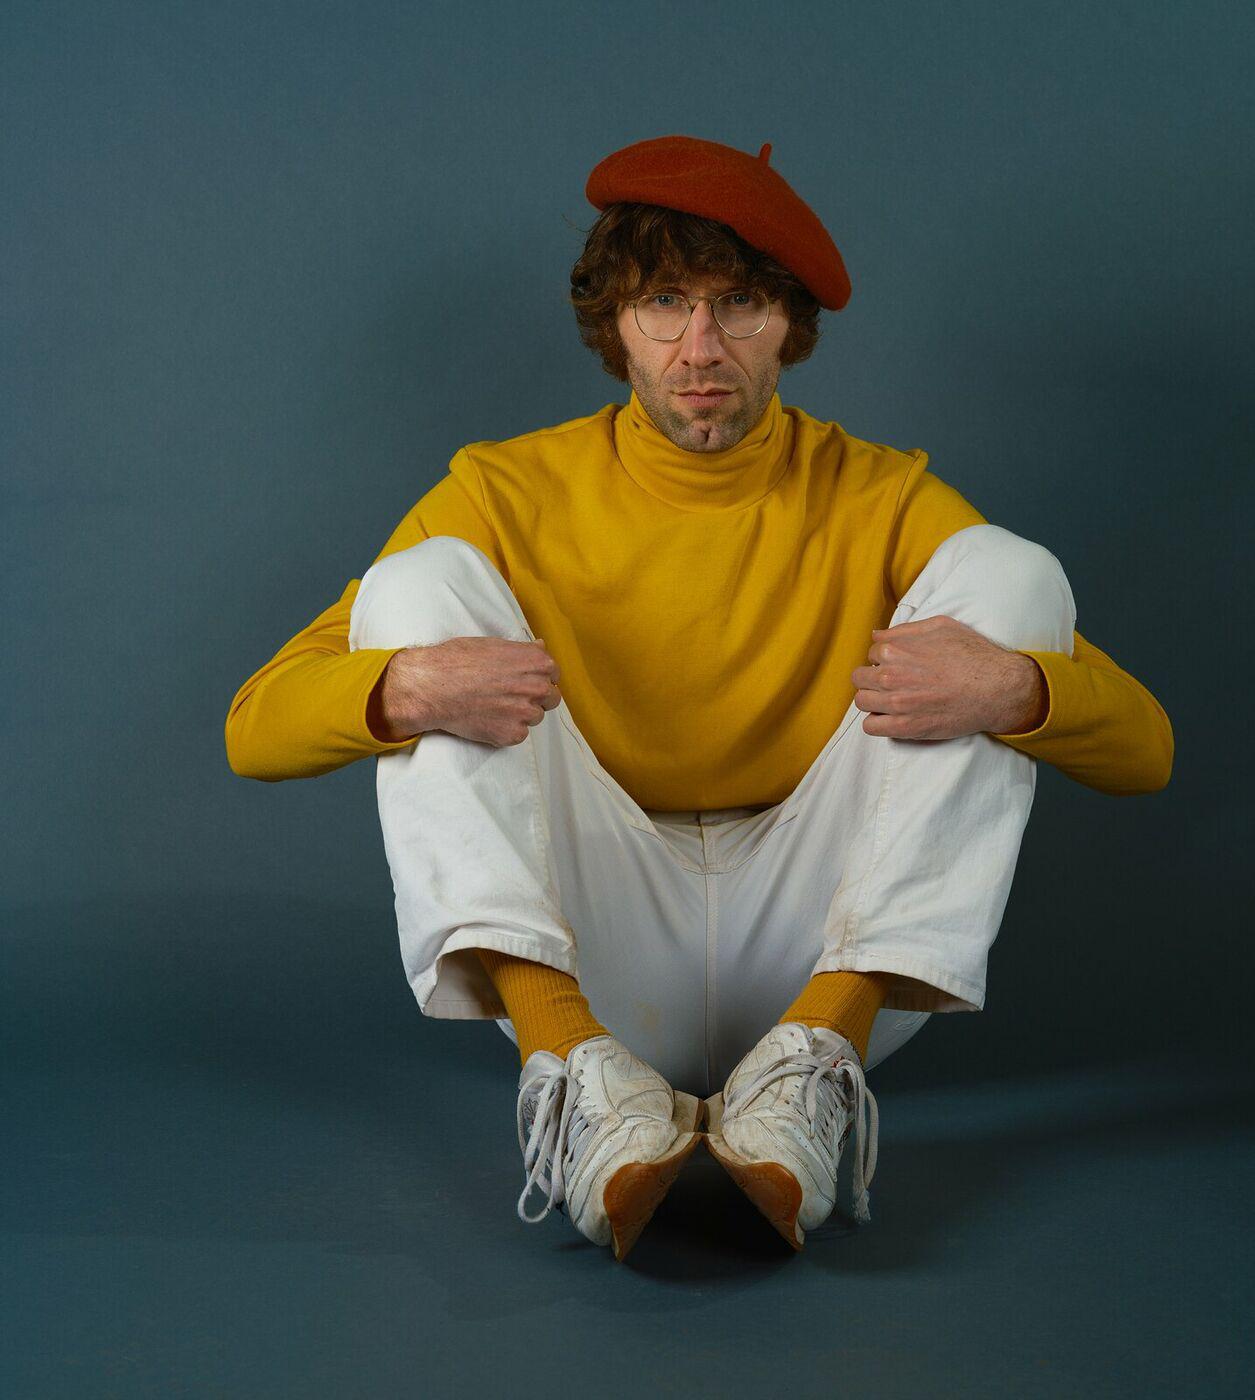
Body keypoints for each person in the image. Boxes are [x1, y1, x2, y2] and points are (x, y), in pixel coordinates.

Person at [226, 134, 1173, 1261]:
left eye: (740, 305)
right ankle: (575, 1070)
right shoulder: (503, 490)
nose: (701, 347)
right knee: (414, 591)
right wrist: (407, 686)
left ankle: (811, 1070)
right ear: (615, 325)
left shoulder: (879, 494)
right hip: (596, 946)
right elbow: (255, 726)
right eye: (664, 302)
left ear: (790, 326)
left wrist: (1015, 687)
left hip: (823, 947)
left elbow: (1146, 748)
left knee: (1015, 579)